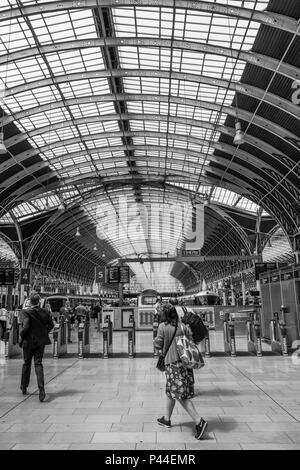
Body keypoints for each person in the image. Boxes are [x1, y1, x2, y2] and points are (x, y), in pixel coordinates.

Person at [153, 303, 207, 440]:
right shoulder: (182, 326)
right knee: (171, 391)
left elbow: (158, 344)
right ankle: (166, 419)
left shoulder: (162, 326)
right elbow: (191, 340)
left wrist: (158, 339)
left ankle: (199, 421)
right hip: (185, 363)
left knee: (180, 395)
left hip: (172, 365)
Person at [19, 293, 54, 402]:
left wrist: (21, 335)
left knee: (26, 363)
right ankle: (41, 388)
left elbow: (26, 326)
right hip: (40, 342)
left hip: (28, 342)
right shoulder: (46, 312)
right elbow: (51, 325)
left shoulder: (26, 312)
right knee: (38, 363)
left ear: (30, 302)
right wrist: (43, 333)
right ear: (39, 301)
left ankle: (24, 386)